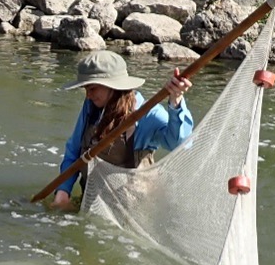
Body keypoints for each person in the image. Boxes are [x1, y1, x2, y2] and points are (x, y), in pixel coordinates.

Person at [52, 49, 194, 210]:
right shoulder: (91, 107)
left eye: (92, 88)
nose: (88, 95)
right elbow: (74, 151)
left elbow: (181, 144)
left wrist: (176, 102)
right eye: (85, 89)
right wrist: (63, 191)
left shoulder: (148, 114)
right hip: (91, 200)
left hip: (132, 211)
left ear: (112, 86)